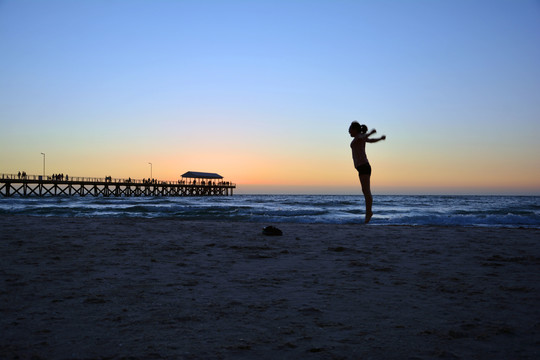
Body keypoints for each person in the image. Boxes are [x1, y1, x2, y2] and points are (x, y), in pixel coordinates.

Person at [349, 121, 386, 223]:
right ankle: (368, 212)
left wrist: (371, 133)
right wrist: (380, 139)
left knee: (366, 191)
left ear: (355, 130)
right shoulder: (359, 138)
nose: (349, 131)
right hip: (362, 168)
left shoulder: (359, 137)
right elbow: (371, 140)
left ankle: (368, 213)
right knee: (365, 191)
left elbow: (365, 138)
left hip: (364, 166)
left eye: (350, 129)